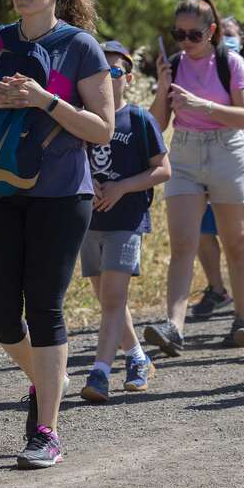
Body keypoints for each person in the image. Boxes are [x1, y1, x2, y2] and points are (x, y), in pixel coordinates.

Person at [0, 0, 114, 468]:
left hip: (61, 195)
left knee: (43, 305)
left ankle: (45, 427)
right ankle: (49, 378)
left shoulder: (82, 48)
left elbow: (103, 128)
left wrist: (45, 100)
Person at [145, 0, 244, 357]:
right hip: (185, 152)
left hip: (228, 148)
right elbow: (157, 125)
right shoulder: (175, 65)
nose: (186, 42)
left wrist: (202, 105)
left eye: (194, 34)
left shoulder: (232, 62)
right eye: (178, 34)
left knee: (236, 243)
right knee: (182, 244)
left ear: (211, 31)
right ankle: (174, 327)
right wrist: (163, 88)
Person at [80, 41, 170, 402]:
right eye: (102, 70)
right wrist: (92, 180)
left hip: (127, 220)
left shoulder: (139, 119)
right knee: (108, 301)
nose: (109, 76)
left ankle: (100, 372)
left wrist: (121, 187)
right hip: (88, 221)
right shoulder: (82, 118)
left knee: (114, 297)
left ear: (128, 78)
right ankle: (137, 358)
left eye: (116, 71)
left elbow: (163, 169)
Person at [192, 16, 244, 322]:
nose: (229, 39)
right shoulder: (208, 68)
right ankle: (217, 289)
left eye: (234, 35)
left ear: (243, 39)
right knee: (204, 232)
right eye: (225, 34)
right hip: (208, 163)